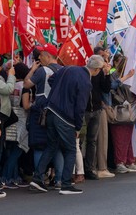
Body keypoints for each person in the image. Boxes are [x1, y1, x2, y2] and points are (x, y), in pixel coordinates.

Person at [30, 55, 105, 195]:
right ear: (97, 69)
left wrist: (61, 90)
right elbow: (80, 107)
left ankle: (37, 178)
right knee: (70, 149)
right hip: (64, 116)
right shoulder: (86, 82)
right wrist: (77, 127)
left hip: (50, 110)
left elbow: (51, 79)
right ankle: (65, 184)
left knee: (51, 146)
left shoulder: (69, 68)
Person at [84, 47, 112, 180]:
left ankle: (90, 168)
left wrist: (107, 74)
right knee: (80, 141)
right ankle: (79, 169)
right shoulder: (85, 72)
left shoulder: (101, 72)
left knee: (92, 140)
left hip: (96, 109)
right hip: (84, 110)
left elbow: (106, 88)